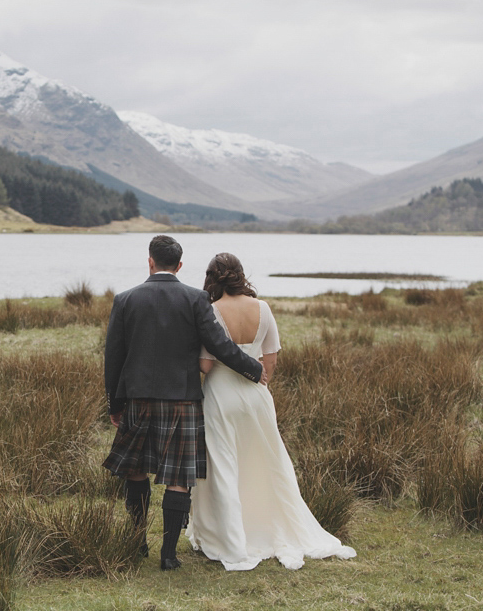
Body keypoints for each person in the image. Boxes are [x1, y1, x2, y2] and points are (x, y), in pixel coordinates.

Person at [102, 236, 264, 571]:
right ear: (179, 265)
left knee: (134, 470)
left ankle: (137, 543)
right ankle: (169, 555)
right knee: (178, 476)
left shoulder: (125, 299)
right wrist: (253, 368)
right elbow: (219, 345)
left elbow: (113, 358)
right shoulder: (195, 298)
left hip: (139, 399)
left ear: (150, 261)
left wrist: (115, 405)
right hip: (182, 401)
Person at [186, 252, 356, 570]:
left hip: (222, 397)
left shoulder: (210, 311)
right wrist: (259, 387)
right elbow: (271, 360)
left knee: (224, 464)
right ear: (240, 275)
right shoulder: (263, 308)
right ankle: (266, 526)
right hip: (257, 397)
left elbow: (206, 365)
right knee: (265, 463)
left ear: (213, 278)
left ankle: (230, 538)